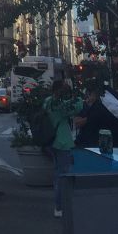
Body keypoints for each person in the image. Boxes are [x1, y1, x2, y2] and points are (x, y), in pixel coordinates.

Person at [43, 79, 85, 218]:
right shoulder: (60, 105)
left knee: (58, 173)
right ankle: (60, 205)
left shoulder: (48, 101)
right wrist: (77, 96)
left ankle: (59, 204)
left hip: (50, 141)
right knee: (63, 174)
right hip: (62, 141)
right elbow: (76, 107)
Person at [75, 81, 118, 150]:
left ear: (92, 93)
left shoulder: (98, 107)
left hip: (100, 146)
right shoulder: (110, 104)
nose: (87, 98)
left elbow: (83, 124)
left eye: (88, 95)